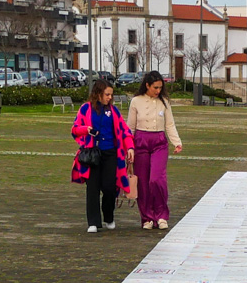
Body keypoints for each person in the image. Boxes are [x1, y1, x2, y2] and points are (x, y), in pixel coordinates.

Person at [69, 76, 133, 233]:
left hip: (111, 153)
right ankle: (93, 222)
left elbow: (124, 130)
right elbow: (75, 129)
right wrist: (86, 129)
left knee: (110, 187)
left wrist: (130, 147)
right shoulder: (85, 109)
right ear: (98, 94)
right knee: (92, 188)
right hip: (92, 154)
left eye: (111, 94)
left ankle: (109, 216)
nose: (110, 98)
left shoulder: (114, 111)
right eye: (107, 94)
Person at [126, 70, 181, 229]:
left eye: (160, 88)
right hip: (140, 142)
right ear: (147, 85)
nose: (158, 91)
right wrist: (129, 147)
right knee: (143, 182)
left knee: (156, 179)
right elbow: (130, 127)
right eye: (155, 87)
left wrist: (177, 142)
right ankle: (147, 217)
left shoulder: (164, 102)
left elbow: (169, 124)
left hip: (159, 142)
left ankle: (161, 215)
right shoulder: (136, 101)